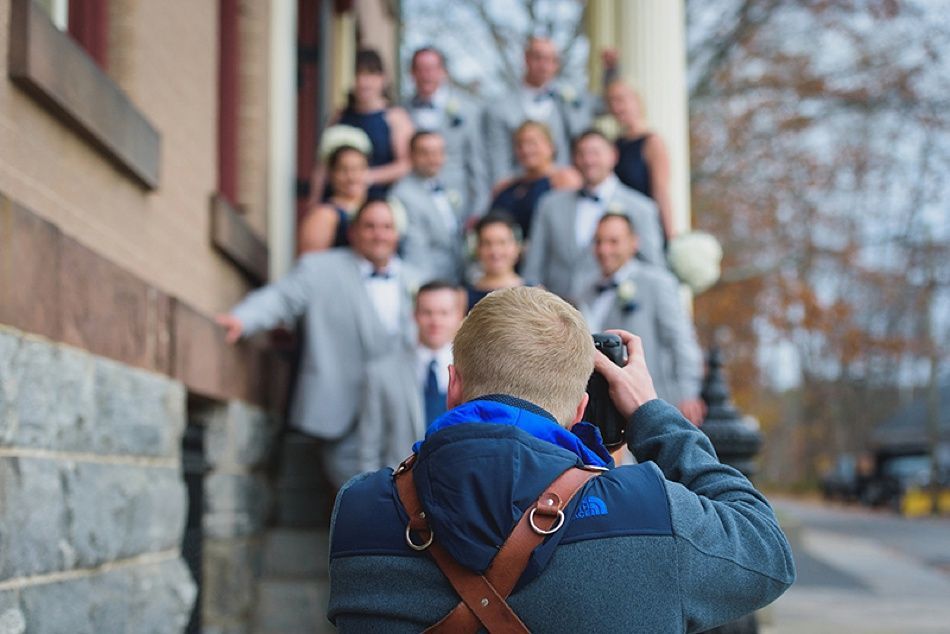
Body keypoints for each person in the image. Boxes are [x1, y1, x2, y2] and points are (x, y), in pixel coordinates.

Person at [327, 286, 795, 632]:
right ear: (580, 408)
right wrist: (654, 416)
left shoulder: (358, 510)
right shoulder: (651, 511)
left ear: (453, 385)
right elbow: (767, 554)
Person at [216, 200, 419, 488]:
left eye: (387, 227)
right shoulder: (320, 269)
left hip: (398, 409)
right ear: (353, 232)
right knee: (353, 489)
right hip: (340, 407)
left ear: (397, 234)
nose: (379, 234)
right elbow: (281, 299)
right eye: (369, 226)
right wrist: (243, 319)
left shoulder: (416, 280)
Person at [579, 213, 705, 425]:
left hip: (651, 401)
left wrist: (688, 393)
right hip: (601, 410)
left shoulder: (658, 283)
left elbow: (680, 340)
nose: (604, 250)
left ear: (633, 243)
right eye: (599, 242)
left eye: (613, 241)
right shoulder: (585, 290)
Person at [522, 129, 664, 304]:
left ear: (613, 156)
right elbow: (533, 268)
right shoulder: (549, 205)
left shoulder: (641, 208)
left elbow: (653, 267)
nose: (588, 160)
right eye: (581, 154)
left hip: (617, 313)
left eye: (595, 153)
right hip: (558, 317)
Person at [483, 36, 592, 185]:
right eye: (538, 58)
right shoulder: (500, 108)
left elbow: (606, 105)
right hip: (520, 188)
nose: (544, 66)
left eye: (551, 60)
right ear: (526, 59)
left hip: (563, 187)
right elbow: (498, 159)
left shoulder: (568, 99)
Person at [309, 49, 413, 203]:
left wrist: (367, 177)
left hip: (375, 202)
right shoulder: (338, 116)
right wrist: (314, 201)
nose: (363, 81)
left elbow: (405, 164)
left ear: (382, 78)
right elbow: (322, 165)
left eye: (370, 74)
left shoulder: (395, 117)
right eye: (357, 74)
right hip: (337, 201)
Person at [404, 46, 488, 218]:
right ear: (412, 74)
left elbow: (477, 162)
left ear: (443, 72)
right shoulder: (401, 111)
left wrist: (480, 208)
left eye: (432, 69)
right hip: (413, 199)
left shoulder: (469, 109)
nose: (426, 75)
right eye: (420, 69)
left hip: (458, 200)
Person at [605, 78, 676, 243]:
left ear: (636, 101)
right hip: (618, 230)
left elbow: (661, 191)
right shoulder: (614, 144)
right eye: (611, 102)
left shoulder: (652, 142)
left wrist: (670, 236)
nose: (616, 107)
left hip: (645, 227)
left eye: (621, 100)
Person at [390, 131, 465, 283]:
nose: (433, 159)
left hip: (458, 273)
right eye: (425, 153)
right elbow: (415, 249)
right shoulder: (402, 195)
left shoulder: (447, 183)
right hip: (431, 279)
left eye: (438, 152)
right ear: (411, 156)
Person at [488, 120, 581, 240]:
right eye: (520, 144)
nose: (526, 149)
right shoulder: (508, 185)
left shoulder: (564, 180)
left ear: (550, 146)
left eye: (532, 143)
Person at [298, 143, 369, 253]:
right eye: (343, 170)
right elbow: (311, 263)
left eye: (358, 169)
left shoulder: (376, 207)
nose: (351, 177)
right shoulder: (324, 214)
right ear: (331, 174)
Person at [413, 281, 466, 426]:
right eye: (427, 312)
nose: (435, 321)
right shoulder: (383, 372)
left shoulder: (472, 370)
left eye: (444, 313)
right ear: (415, 315)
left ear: (459, 316)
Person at [465, 212, 524, 311]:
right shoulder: (463, 300)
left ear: (516, 247)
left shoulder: (535, 294)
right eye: (487, 243)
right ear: (477, 249)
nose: (495, 251)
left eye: (502, 242)